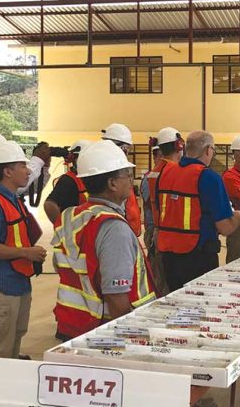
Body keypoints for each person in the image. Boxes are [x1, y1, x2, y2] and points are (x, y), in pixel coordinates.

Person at [51, 141, 156, 340]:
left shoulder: (71, 216)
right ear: (112, 183)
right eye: (127, 175)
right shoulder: (113, 228)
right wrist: (129, 338)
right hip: (104, 331)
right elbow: (116, 295)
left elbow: (61, 267)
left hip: (74, 325)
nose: (130, 180)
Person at [0, 141, 46, 365]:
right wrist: (26, 253)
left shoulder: (13, 200)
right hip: (1, 285)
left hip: (19, 282)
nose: (28, 170)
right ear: (7, 171)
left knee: (15, 336)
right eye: (22, 165)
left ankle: (6, 384)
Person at [156, 130, 240, 292]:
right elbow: (225, 227)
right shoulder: (209, 177)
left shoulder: (166, 173)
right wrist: (238, 217)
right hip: (198, 257)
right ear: (208, 150)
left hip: (168, 257)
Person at [139, 127, 184, 297]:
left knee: (163, 276)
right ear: (178, 147)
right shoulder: (174, 173)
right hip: (159, 233)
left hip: (161, 232)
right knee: (161, 278)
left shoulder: (152, 175)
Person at [0, 134, 51, 201]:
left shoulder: (0, 176)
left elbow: (33, 188)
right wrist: (38, 159)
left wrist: (44, 166)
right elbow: (21, 187)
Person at [102, 123, 142, 236]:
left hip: (125, 228)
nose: (127, 152)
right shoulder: (109, 171)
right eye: (127, 148)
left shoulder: (118, 168)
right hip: (118, 229)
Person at [43, 139, 93, 224]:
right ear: (74, 159)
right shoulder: (68, 180)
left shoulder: (91, 177)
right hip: (77, 233)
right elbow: (49, 205)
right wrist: (63, 229)